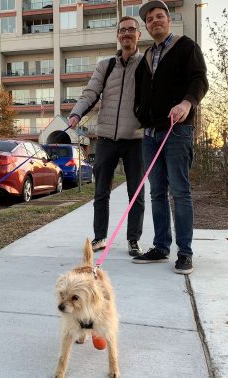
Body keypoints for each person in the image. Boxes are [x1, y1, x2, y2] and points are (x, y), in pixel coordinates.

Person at [131, 0, 208, 274]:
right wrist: (140, 115)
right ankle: (161, 247)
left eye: (159, 16)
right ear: (147, 26)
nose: (154, 21)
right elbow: (139, 96)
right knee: (156, 193)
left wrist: (187, 104)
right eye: (149, 19)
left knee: (180, 191)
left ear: (168, 19)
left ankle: (185, 253)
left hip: (177, 131)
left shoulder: (186, 47)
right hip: (151, 135)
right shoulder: (145, 59)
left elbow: (199, 80)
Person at [68, 16, 145, 257]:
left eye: (131, 30)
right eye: (123, 30)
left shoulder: (146, 64)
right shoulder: (106, 65)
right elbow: (90, 92)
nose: (127, 34)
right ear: (118, 35)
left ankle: (133, 239)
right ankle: (100, 237)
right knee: (101, 191)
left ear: (138, 35)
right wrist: (76, 114)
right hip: (106, 139)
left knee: (137, 193)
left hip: (136, 139)